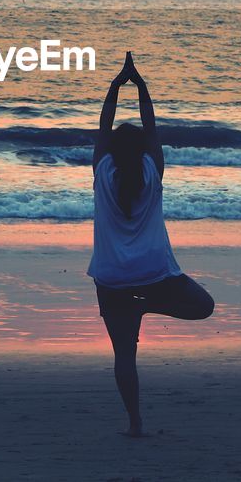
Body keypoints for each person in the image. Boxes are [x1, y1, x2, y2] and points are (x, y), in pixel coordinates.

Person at [88, 51, 215, 437]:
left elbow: (103, 127)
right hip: (155, 274)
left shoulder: (102, 171)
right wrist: (139, 85)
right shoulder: (152, 171)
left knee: (125, 355)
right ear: (144, 150)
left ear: (110, 150)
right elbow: (152, 127)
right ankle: (150, 306)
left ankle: (135, 423)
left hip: (111, 279)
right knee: (203, 306)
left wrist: (114, 86)